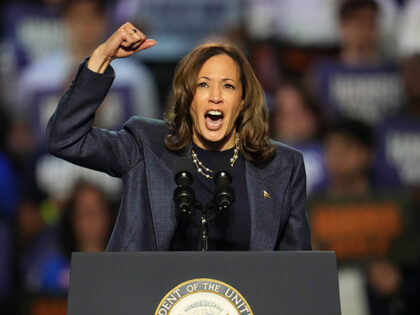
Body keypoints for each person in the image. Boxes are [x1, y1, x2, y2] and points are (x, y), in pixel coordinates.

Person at [46, 22, 311, 251]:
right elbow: (66, 138)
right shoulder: (146, 146)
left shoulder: (282, 166)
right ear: (188, 98)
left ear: (243, 101)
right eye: (203, 84)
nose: (215, 96)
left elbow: (295, 272)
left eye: (228, 86)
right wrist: (102, 58)